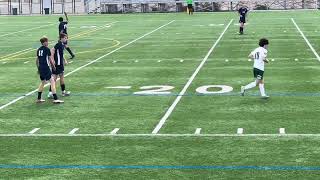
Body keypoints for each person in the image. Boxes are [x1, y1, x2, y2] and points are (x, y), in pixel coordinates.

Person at [36, 37, 64, 104]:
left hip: (41, 68)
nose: (48, 42)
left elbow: (37, 61)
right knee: (52, 81)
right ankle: (55, 99)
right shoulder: (47, 49)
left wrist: (38, 69)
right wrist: (54, 66)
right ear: (44, 42)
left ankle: (39, 98)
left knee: (43, 82)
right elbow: (50, 60)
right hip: (46, 68)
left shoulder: (38, 50)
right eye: (47, 41)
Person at [48, 33, 71, 98]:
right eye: (65, 38)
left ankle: (63, 92)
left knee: (61, 77)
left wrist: (64, 60)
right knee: (54, 79)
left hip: (60, 64)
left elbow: (61, 54)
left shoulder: (62, 45)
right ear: (61, 38)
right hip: (57, 64)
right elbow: (52, 51)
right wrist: (53, 61)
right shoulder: (58, 45)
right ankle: (50, 93)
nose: (66, 39)